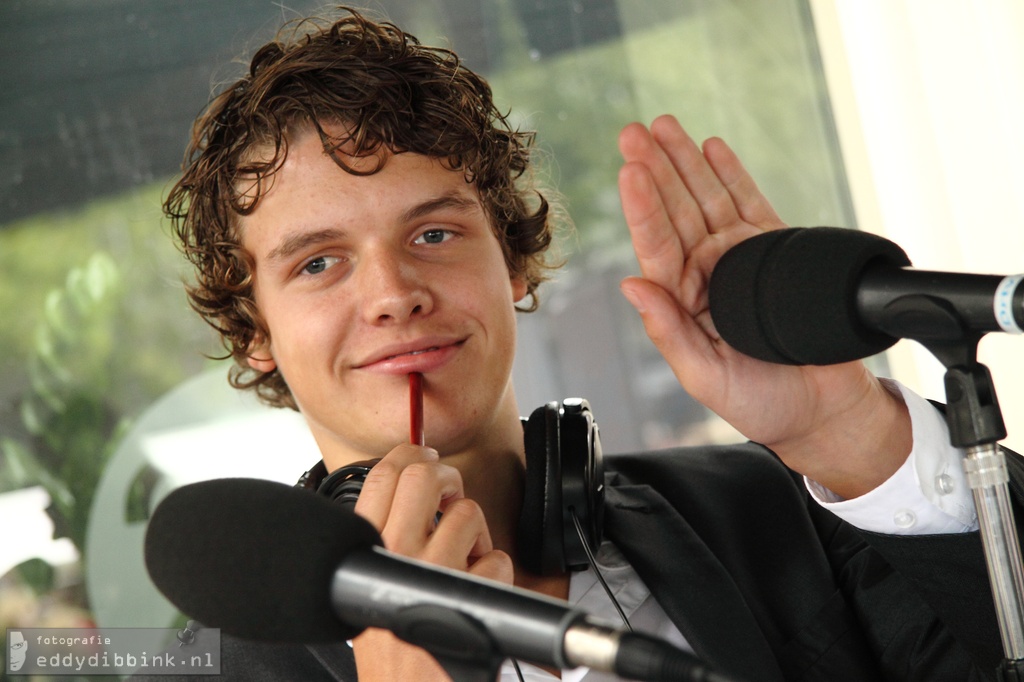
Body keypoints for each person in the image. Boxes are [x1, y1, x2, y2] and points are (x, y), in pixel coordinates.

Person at [158, 5, 1017, 681]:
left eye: (432, 236)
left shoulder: (762, 511)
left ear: (518, 264)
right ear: (253, 332)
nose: (392, 296)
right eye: (317, 264)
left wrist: (851, 434)